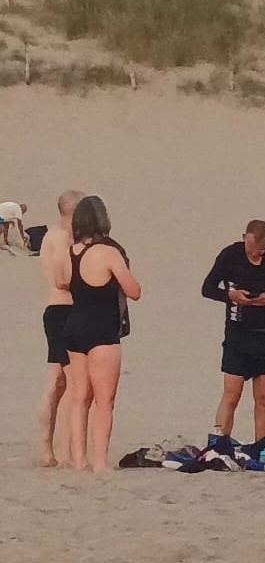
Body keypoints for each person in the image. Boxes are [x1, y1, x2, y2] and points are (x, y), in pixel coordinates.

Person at [61, 196, 141, 473]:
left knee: (79, 396)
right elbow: (134, 291)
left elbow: (62, 281)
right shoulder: (108, 252)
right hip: (101, 330)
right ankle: (99, 463)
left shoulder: (71, 252)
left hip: (74, 326)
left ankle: (79, 459)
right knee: (104, 401)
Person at [202, 221, 265, 444]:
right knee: (231, 395)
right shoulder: (230, 255)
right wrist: (230, 296)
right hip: (238, 333)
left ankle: (261, 449)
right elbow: (207, 288)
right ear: (245, 237)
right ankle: (218, 446)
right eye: (253, 250)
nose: (257, 255)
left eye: (261, 251)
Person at [38, 190, 83, 467]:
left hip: (66, 311)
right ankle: (55, 449)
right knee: (65, 382)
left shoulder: (62, 236)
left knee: (61, 382)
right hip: (62, 310)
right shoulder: (61, 237)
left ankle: (56, 449)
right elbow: (60, 279)